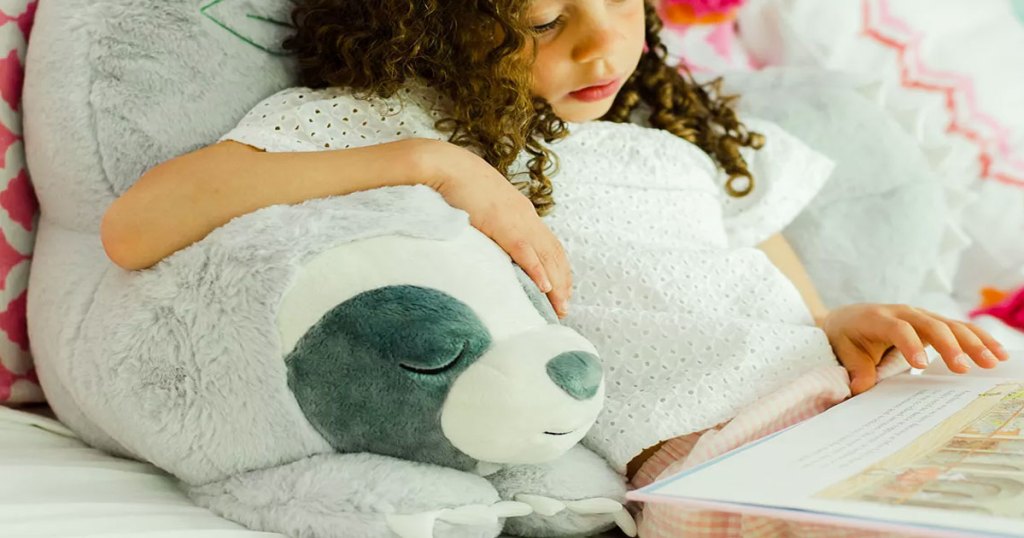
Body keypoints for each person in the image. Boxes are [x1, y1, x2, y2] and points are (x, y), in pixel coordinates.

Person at [100, 0, 1009, 535]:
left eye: (623, 4)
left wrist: (840, 322)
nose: (603, 48)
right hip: (722, 457)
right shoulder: (393, 120)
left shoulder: (665, 139)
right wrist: (436, 164)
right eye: (544, 20)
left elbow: (781, 299)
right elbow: (136, 227)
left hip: (865, 411)